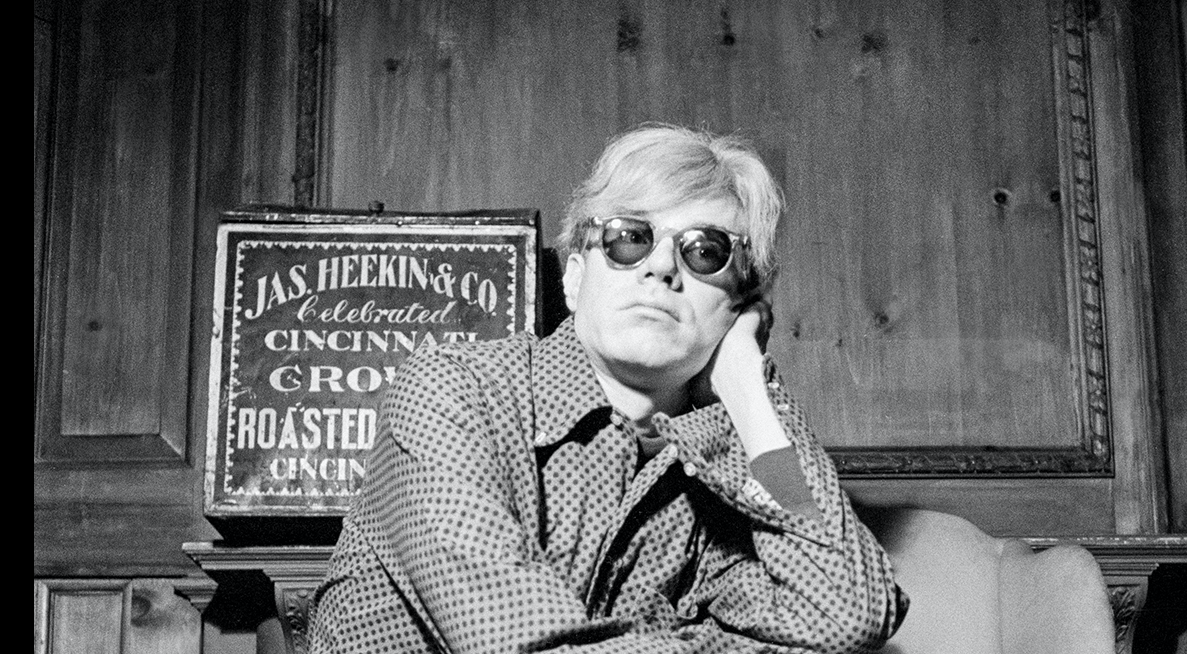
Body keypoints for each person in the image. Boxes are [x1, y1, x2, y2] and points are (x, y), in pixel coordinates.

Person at [308, 123, 908, 653]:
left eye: (705, 251)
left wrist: (752, 393)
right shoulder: (451, 392)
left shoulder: (722, 474)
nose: (662, 267)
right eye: (629, 238)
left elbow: (848, 613)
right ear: (574, 278)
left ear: (740, 311)